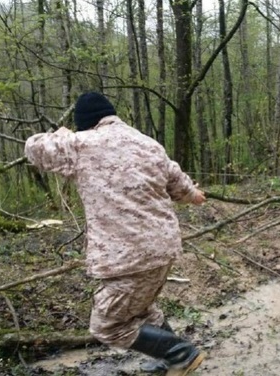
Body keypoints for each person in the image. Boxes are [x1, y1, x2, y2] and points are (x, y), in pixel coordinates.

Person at [24, 92, 206, 376]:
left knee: (107, 326)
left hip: (126, 256)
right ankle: (170, 359)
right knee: (141, 310)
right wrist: (195, 195)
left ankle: (181, 353)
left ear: (85, 123)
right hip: (163, 247)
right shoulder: (149, 144)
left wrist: (63, 133)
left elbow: (33, 148)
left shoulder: (81, 144)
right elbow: (180, 186)